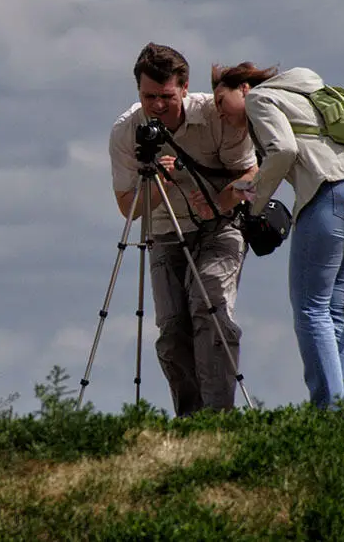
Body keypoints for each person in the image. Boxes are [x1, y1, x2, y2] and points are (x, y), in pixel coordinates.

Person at [211, 62, 344, 409]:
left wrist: (255, 204)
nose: (219, 111)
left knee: (311, 309)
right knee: (335, 309)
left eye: (220, 100)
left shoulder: (260, 98)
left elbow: (285, 151)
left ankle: (328, 411)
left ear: (243, 88)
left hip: (330, 196)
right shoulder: (302, 93)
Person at [109, 43, 258, 417]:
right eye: (148, 97)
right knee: (173, 329)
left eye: (166, 97)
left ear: (185, 87)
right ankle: (190, 420)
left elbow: (249, 173)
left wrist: (209, 197)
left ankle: (218, 417)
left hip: (220, 225)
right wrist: (159, 181)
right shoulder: (128, 131)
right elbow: (129, 208)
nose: (157, 106)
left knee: (210, 307)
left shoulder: (215, 115)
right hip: (164, 231)